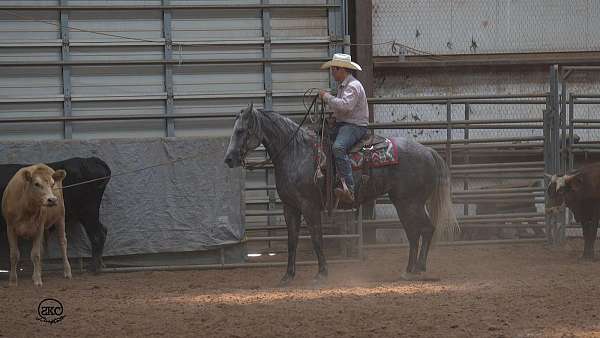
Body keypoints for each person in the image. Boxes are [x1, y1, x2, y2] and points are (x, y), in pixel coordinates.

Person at [318, 53, 369, 204]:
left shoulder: (352, 86)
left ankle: (350, 188)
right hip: (345, 123)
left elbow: (346, 106)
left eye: (335, 68)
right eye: (332, 68)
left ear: (344, 70)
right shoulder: (344, 86)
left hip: (355, 126)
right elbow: (342, 107)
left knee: (338, 147)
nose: (333, 71)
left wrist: (326, 97)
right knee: (319, 137)